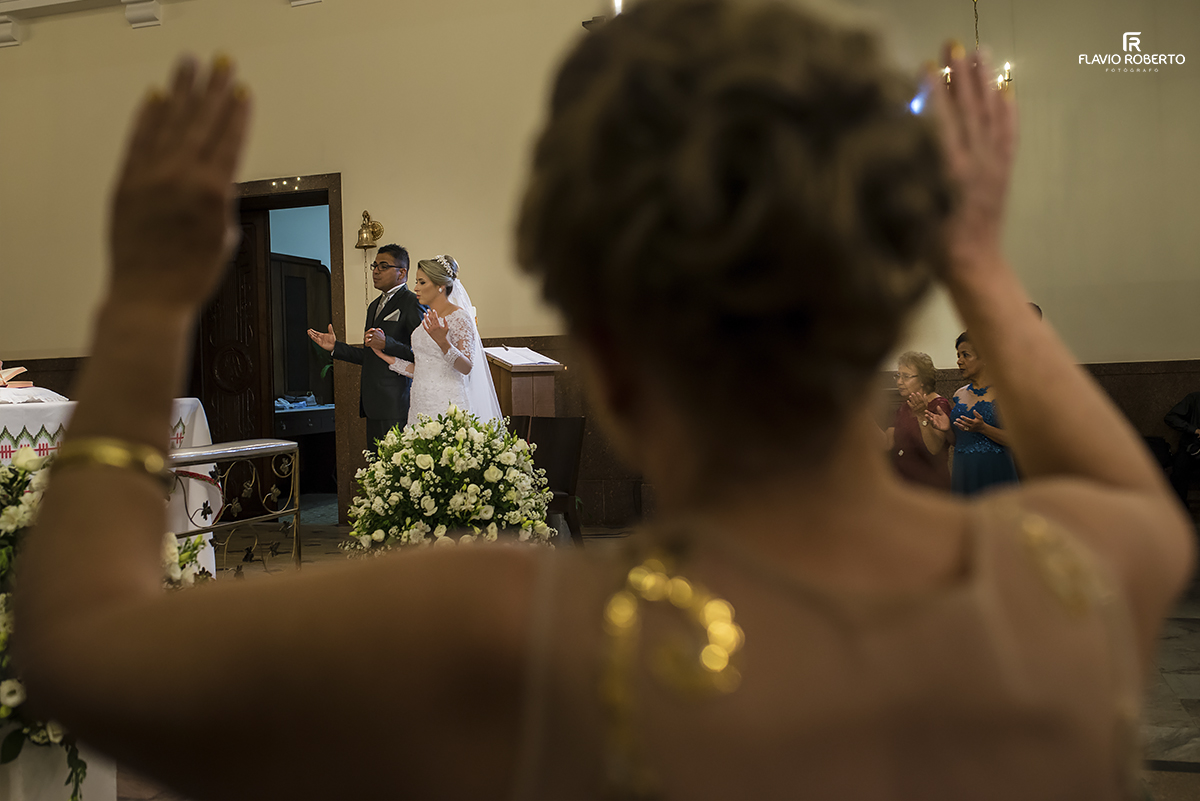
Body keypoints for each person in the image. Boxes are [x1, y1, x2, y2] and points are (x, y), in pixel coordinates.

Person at [14, 5, 1195, 799]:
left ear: (614, 369)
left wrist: (148, 299)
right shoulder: (1072, 582)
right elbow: (1131, 493)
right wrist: (977, 259)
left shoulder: (509, 633)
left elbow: (77, 646)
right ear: (893, 304)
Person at [306, 243, 424, 452]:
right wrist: (335, 347)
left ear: (402, 272)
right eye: (374, 266)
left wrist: (388, 343)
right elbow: (371, 356)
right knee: (376, 465)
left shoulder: (411, 302)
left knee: (396, 465)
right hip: (373, 403)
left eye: (383, 266)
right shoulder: (374, 306)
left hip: (397, 402)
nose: (376, 271)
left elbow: (423, 355)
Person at [371, 254, 502, 425]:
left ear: (440, 286)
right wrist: (383, 356)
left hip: (447, 403)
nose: (416, 288)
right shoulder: (427, 319)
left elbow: (467, 367)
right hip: (420, 402)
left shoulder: (459, 317)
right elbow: (423, 368)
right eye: (416, 282)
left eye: (422, 282)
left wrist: (443, 342)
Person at [927, 332, 1019, 495]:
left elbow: (1017, 441)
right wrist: (947, 429)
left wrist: (984, 429)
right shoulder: (958, 395)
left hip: (994, 471)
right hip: (964, 471)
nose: (959, 361)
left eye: (966, 355)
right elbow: (958, 441)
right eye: (958, 355)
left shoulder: (1004, 393)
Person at [884, 351, 952, 489]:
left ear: (923, 380)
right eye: (898, 376)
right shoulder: (904, 407)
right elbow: (887, 443)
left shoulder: (939, 405)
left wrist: (921, 415)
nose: (899, 382)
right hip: (905, 481)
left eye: (906, 376)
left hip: (929, 484)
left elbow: (934, 448)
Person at [1164, 391, 1200, 507]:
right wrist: (1194, 430)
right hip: (1190, 447)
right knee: (1179, 470)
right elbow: (1170, 417)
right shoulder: (1194, 398)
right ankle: (1179, 510)